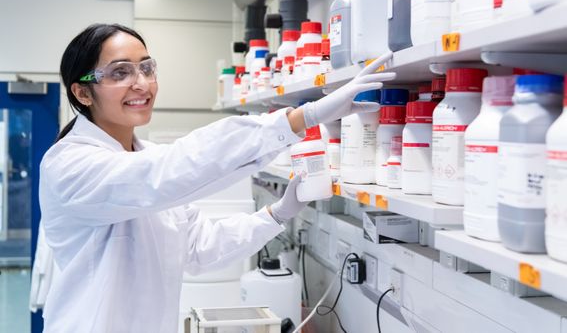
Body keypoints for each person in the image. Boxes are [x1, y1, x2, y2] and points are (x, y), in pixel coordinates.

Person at [39, 23, 394, 332]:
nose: (142, 83)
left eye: (147, 68)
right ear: (82, 92)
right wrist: (301, 118)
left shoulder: (141, 156)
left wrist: (276, 215)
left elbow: (197, 248)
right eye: (120, 73)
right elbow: (165, 174)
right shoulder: (70, 165)